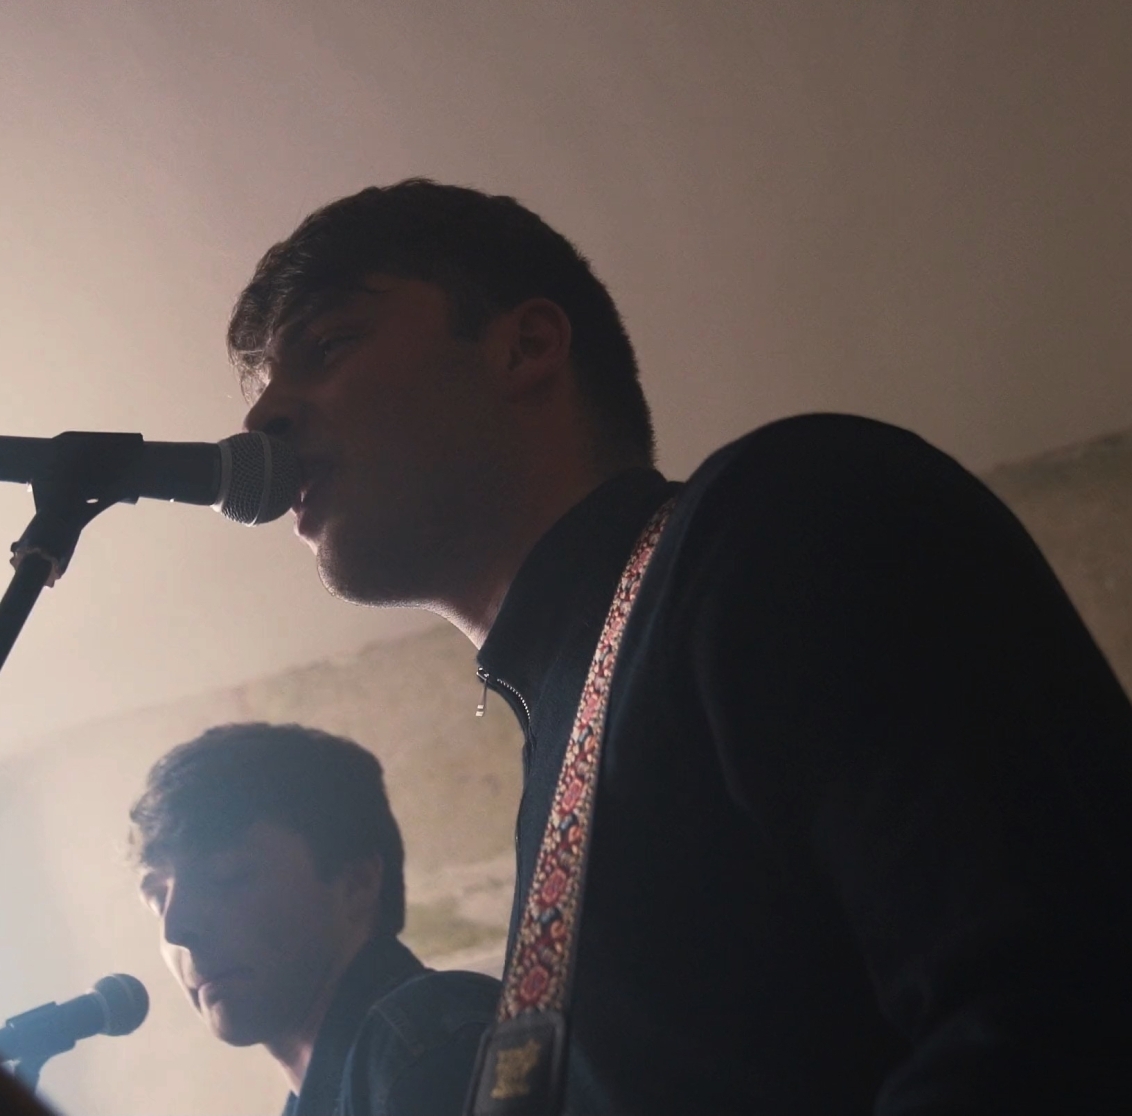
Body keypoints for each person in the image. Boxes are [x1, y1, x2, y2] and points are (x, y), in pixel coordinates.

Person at [228, 180, 1132, 1113]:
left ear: (525, 347)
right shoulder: (562, 730)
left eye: (329, 345)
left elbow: (1063, 1009)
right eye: (262, 390)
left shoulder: (783, 517)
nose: (262, 421)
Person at [130, 722, 500, 1116]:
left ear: (356, 884)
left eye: (228, 875)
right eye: (158, 899)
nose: (176, 928)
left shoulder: (424, 1043)